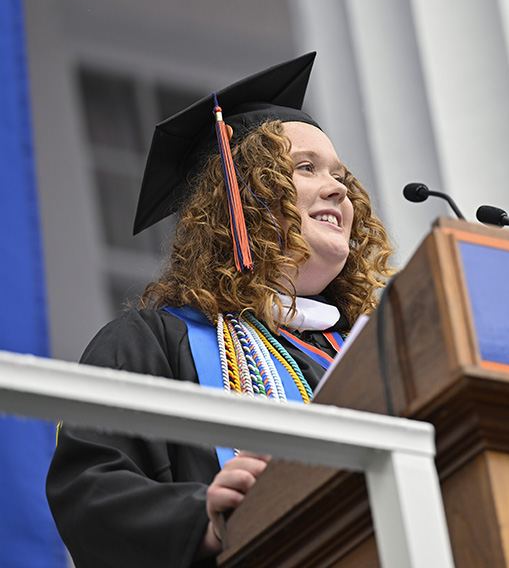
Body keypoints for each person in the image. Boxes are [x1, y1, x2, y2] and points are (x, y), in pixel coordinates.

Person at [45, 53, 394, 568]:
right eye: (305, 168)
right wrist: (200, 520)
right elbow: (89, 490)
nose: (340, 188)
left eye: (340, 175)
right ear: (243, 199)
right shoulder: (151, 343)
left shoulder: (373, 351)